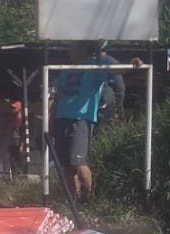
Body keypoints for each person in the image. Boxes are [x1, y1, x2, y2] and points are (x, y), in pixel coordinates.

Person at [54, 41, 135, 199]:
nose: (69, 50)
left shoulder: (96, 65)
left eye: (73, 46)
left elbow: (116, 70)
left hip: (81, 119)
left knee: (78, 162)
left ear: (83, 48)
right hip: (62, 119)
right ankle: (74, 202)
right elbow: (58, 97)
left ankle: (90, 198)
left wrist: (132, 65)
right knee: (66, 166)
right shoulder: (66, 69)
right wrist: (51, 121)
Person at [0, 99, 24, 179]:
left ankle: (19, 176)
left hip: (17, 142)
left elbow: (22, 133)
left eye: (14, 108)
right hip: (11, 142)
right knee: (12, 161)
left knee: (17, 160)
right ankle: (14, 176)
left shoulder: (20, 119)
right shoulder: (12, 118)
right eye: (12, 108)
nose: (12, 109)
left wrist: (21, 144)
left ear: (19, 108)